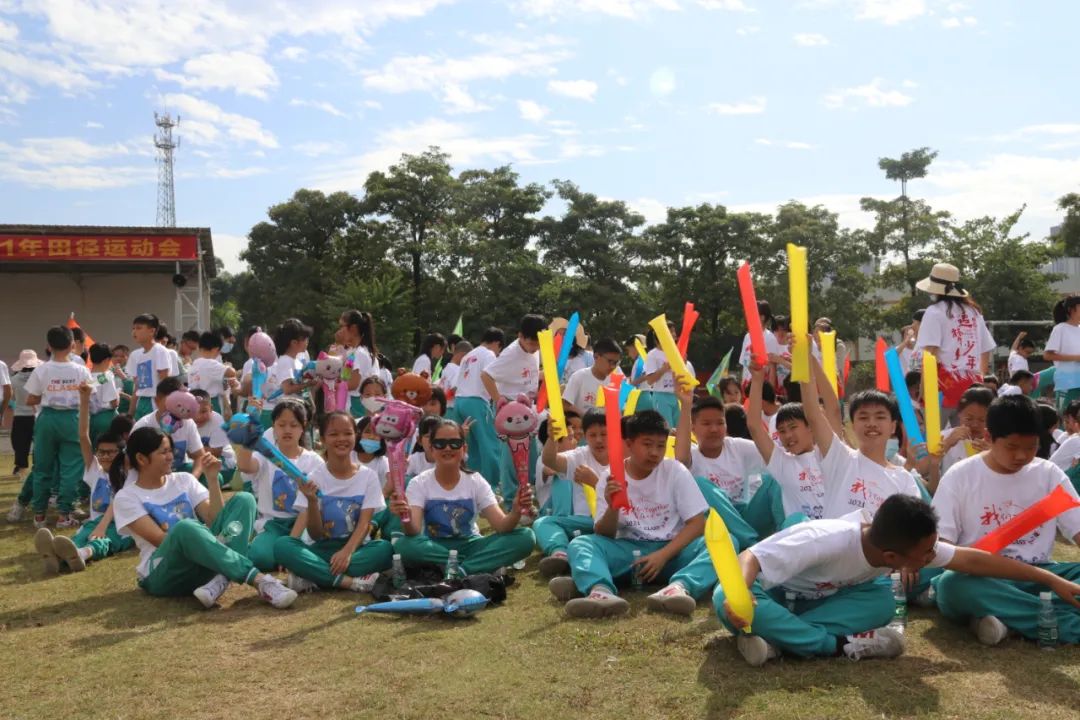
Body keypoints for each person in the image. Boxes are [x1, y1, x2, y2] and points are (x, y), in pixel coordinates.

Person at [716, 494, 1080, 666]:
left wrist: (1047, 577)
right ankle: (838, 646)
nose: (930, 559)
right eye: (925, 556)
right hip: (776, 596)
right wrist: (739, 595)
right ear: (892, 559)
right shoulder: (824, 538)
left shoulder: (910, 545)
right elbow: (751, 558)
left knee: (882, 601)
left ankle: (780, 641)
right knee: (721, 598)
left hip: (823, 606)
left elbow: (974, 560)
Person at [932, 394, 1080, 645]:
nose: (1022, 456)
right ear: (989, 437)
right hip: (979, 576)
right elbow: (941, 551)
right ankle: (1064, 622)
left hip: (1037, 574)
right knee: (951, 586)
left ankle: (1003, 620)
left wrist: (1048, 579)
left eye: (1031, 446)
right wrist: (1050, 581)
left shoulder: (1048, 474)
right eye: (1012, 447)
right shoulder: (960, 476)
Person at [554, 410, 717, 618]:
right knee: (581, 544)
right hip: (629, 553)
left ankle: (678, 587)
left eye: (660, 445)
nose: (655, 453)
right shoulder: (610, 478)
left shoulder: (675, 471)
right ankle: (600, 592)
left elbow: (697, 523)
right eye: (647, 444)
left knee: (724, 541)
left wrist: (663, 555)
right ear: (629, 444)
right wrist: (613, 506)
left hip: (672, 552)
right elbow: (603, 534)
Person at [112, 426, 297, 608]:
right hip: (163, 573)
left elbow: (214, 519)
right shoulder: (126, 497)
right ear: (141, 459)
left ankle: (221, 579)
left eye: (170, 450)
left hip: (202, 562)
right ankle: (259, 580)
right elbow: (161, 541)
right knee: (186, 528)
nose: (171, 457)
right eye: (163, 452)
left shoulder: (184, 479)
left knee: (245, 499)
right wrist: (204, 541)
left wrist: (212, 479)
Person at [392, 418, 535, 574]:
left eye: (454, 443)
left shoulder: (475, 481)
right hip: (433, 547)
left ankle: (461, 570)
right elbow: (414, 531)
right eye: (440, 444)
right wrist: (404, 516)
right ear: (432, 449)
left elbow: (501, 526)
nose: (448, 448)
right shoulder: (418, 483)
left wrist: (515, 511)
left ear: (464, 448)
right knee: (404, 545)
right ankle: (474, 565)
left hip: (471, 544)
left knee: (526, 537)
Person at [274, 411, 393, 593]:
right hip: (321, 548)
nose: (341, 439)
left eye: (347, 433)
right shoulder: (315, 478)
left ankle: (313, 576)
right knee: (283, 545)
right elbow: (315, 534)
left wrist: (347, 552)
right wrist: (312, 502)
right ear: (322, 438)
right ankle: (348, 582)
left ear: (356, 436)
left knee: (385, 549)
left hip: (356, 549)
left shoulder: (368, 476)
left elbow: (364, 524)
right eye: (333, 434)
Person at [801, 354, 925, 519]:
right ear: (853, 425)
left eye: (880, 417)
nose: (872, 423)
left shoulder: (904, 480)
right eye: (863, 417)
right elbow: (814, 416)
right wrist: (807, 357)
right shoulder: (840, 459)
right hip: (835, 544)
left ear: (893, 426)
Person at [33, 381, 133, 573]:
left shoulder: (129, 473)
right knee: (78, 537)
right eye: (101, 452)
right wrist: (84, 400)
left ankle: (82, 554)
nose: (104, 456)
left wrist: (102, 527)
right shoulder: (95, 470)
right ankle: (58, 555)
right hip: (95, 522)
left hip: (122, 526)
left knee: (102, 541)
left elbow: (117, 502)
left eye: (110, 453)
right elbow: (83, 436)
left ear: (121, 453)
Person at [235, 399, 325, 572]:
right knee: (259, 558)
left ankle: (289, 556)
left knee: (316, 553)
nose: (287, 430)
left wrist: (289, 548)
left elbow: (307, 508)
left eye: (293, 425)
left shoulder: (314, 461)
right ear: (273, 427)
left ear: (303, 426)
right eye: (281, 425)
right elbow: (244, 466)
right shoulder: (265, 455)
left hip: (302, 524)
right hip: (273, 524)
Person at [747, 359, 830, 523]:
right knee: (797, 520)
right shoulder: (782, 463)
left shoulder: (830, 455)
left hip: (831, 536)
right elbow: (754, 425)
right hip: (798, 536)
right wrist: (757, 380)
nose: (788, 436)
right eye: (782, 431)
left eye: (793, 427)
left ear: (810, 427)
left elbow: (831, 409)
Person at [25, 326, 92, 530]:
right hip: (72, 417)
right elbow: (89, 393)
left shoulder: (42, 369)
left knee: (42, 467)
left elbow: (31, 399)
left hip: (47, 418)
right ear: (73, 345)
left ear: (48, 346)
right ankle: (64, 515)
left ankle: (39, 515)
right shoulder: (80, 369)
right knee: (71, 467)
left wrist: (50, 393)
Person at [914, 263, 996, 419]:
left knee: (937, 440)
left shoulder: (934, 311)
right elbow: (986, 349)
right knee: (969, 439)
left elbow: (929, 353)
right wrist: (980, 378)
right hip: (972, 387)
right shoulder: (973, 312)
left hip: (942, 386)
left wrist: (923, 389)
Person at [536, 408, 608, 578]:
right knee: (543, 523)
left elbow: (623, 501)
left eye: (604, 434)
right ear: (584, 436)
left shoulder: (624, 458)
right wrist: (553, 439)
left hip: (611, 523)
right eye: (592, 435)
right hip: (582, 522)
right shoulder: (580, 455)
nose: (598, 440)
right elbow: (550, 461)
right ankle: (560, 554)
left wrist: (595, 482)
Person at [483, 314, 545, 501]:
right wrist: (500, 402)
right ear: (520, 336)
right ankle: (510, 497)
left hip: (528, 407)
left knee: (531, 451)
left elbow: (529, 374)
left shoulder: (536, 349)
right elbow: (486, 375)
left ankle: (529, 491)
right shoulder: (510, 354)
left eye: (538, 344)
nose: (535, 348)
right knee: (510, 453)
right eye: (531, 343)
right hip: (510, 409)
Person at [449, 327, 504, 484]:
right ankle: (493, 485)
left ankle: (472, 483)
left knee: (471, 448)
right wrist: (498, 399)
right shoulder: (489, 354)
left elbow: (454, 385)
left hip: (459, 402)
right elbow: (489, 376)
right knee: (490, 445)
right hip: (476, 401)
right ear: (497, 343)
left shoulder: (468, 355)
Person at [132, 376, 206, 475]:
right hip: (152, 475)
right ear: (156, 401)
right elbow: (132, 462)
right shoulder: (143, 425)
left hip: (180, 471)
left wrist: (193, 480)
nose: (174, 411)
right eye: (169, 405)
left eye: (179, 406)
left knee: (213, 476)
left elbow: (199, 456)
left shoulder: (187, 423)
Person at [261, 319, 317, 429]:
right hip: (290, 412)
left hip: (299, 409)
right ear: (294, 343)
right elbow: (287, 388)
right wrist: (308, 384)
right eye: (304, 339)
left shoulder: (297, 361)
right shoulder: (285, 361)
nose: (307, 342)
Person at [125, 314, 172, 420]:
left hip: (155, 402)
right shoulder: (135, 355)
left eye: (139, 328)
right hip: (141, 402)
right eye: (133, 328)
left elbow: (165, 382)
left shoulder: (160, 351)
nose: (134, 332)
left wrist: (163, 408)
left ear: (152, 331)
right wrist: (130, 413)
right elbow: (137, 387)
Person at [337, 310, 381, 419]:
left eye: (342, 326)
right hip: (354, 406)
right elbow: (345, 376)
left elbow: (353, 384)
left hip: (355, 408)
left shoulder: (359, 353)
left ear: (353, 328)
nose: (340, 331)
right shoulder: (357, 351)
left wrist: (331, 385)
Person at [190, 390, 237, 489]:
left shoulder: (217, 419)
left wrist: (191, 451)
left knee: (210, 475)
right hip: (200, 460)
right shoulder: (184, 421)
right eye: (194, 412)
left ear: (211, 408)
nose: (198, 416)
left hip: (224, 461)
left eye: (203, 411)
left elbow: (216, 452)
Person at [9, 350, 42, 488]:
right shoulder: (39, 378)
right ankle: (37, 470)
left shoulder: (14, 380)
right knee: (39, 445)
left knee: (20, 445)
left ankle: (22, 472)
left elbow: (13, 398)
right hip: (37, 416)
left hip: (20, 416)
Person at [563, 338, 621, 415]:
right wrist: (586, 419)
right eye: (610, 361)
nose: (613, 366)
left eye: (616, 363)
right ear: (596, 356)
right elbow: (566, 404)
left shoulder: (614, 382)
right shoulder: (579, 377)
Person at [186, 331, 237, 415]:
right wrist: (228, 366)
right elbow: (232, 373)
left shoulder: (194, 364)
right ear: (216, 349)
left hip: (194, 403)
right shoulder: (211, 364)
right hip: (210, 403)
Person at [1044, 295, 1080, 414]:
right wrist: (1076, 358)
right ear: (1071, 309)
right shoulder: (1060, 329)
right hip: (1067, 383)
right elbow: (1047, 355)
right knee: (1066, 419)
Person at [86, 343, 119, 447]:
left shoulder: (86, 377)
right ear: (106, 360)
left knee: (94, 449)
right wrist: (118, 394)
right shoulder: (106, 376)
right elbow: (114, 403)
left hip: (90, 419)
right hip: (107, 418)